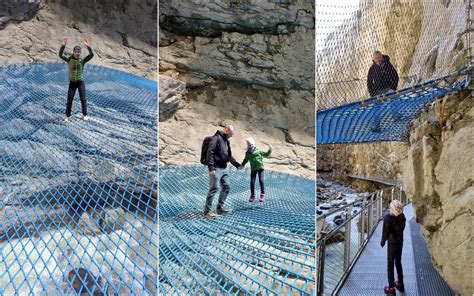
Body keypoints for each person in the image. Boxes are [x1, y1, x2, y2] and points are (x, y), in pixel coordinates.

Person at [204, 124, 241, 218]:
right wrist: (211, 168)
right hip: (216, 168)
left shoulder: (226, 141)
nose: (231, 135)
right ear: (226, 130)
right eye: (231, 133)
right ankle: (207, 212)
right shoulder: (216, 139)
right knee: (214, 188)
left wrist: (237, 165)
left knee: (226, 186)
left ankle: (219, 207)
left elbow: (228, 156)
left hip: (224, 168)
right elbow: (210, 152)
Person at [59, 37, 94, 122]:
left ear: (80, 53)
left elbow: (91, 55)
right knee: (69, 100)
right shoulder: (69, 59)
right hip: (72, 83)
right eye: (75, 52)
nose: (77, 53)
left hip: (80, 82)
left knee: (83, 99)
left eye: (78, 52)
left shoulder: (82, 60)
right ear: (73, 52)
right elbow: (60, 55)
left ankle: (84, 114)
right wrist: (63, 45)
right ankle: (67, 116)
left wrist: (88, 47)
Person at [380, 200, 406, 295]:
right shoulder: (402, 216)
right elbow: (402, 228)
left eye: (391, 207)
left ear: (392, 208)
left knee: (390, 264)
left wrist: (382, 241)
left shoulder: (388, 217)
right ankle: (400, 283)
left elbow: (385, 232)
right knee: (398, 262)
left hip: (392, 243)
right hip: (400, 241)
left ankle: (391, 288)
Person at [239, 137, 272, 203]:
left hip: (260, 168)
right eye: (249, 145)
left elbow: (266, 154)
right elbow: (245, 160)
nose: (250, 146)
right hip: (253, 169)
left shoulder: (258, 151)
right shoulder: (248, 153)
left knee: (261, 181)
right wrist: (242, 165)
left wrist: (270, 149)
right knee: (252, 182)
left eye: (251, 145)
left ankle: (262, 194)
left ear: (253, 145)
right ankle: (252, 195)